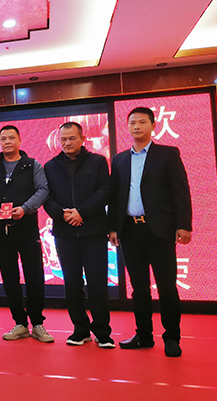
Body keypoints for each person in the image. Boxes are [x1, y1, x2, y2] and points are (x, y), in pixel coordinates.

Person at [109, 107, 192, 357]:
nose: (136, 126)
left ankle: (172, 338)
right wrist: (113, 227)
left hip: (160, 231)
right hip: (129, 230)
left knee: (166, 287)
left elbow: (180, 191)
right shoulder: (119, 159)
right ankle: (144, 335)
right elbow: (115, 196)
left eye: (142, 122)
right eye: (132, 122)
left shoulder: (167, 154)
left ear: (153, 125)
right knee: (139, 288)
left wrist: (184, 225)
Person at [44, 122, 114, 348]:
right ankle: (80, 329)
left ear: (83, 139)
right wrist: (62, 214)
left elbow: (105, 190)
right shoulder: (50, 166)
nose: (67, 143)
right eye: (63, 139)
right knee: (72, 283)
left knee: (97, 282)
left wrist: (82, 212)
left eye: (72, 138)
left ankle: (102, 331)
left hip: (93, 231)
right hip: (64, 232)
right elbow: (47, 197)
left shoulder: (98, 161)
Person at [0, 125, 54, 343]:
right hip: (1, 229)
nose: (7, 142)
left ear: (20, 140)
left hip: (26, 226)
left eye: (11, 138)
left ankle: (38, 324)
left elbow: (43, 190)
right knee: (9, 277)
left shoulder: (32, 165)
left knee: (34, 276)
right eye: (3, 138)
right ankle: (20, 323)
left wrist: (25, 208)